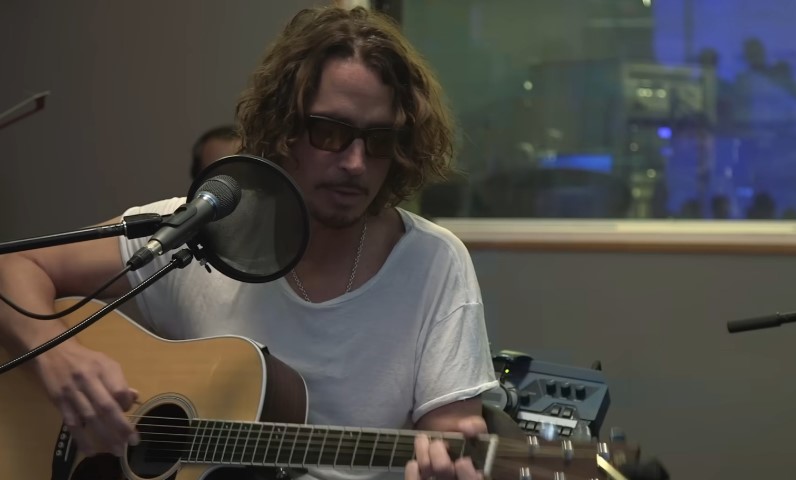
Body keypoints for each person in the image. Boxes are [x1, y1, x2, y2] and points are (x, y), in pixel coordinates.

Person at [0, 5, 497, 480]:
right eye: (330, 132)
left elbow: (451, 440)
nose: (355, 164)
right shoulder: (199, 229)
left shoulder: (434, 262)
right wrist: (57, 360)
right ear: (283, 127)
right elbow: (14, 267)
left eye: (381, 140)